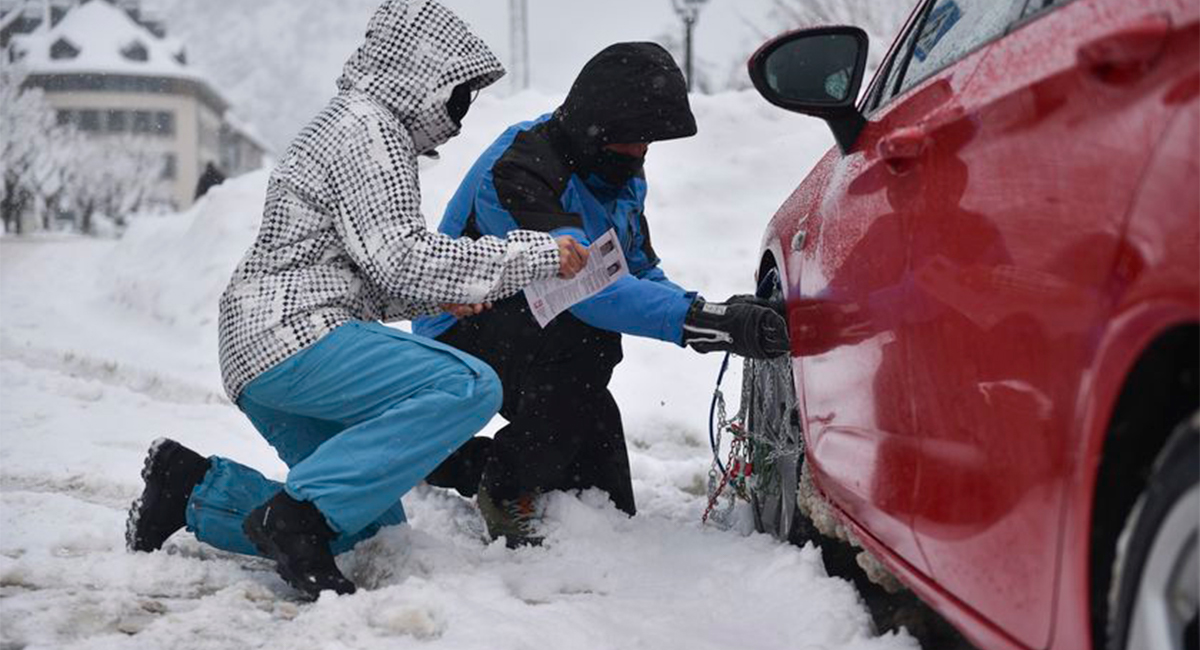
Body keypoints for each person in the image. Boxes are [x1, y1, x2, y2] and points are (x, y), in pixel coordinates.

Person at [124, 0, 589, 600]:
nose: (462, 113)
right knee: (468, 385)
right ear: (426, 73)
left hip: (260, 348)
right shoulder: (370, 130)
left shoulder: (350, 124)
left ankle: (189, 488)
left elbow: (364, 269)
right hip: (292, 333)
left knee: (363, 523)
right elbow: (403, 258)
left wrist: (444, 295)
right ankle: (293, 520)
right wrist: (538, 256)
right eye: (460, 92)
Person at [413, 42, 789, 547]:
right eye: (633, 140)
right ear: (599, 126)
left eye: (648, 143)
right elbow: (586, 288)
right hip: (461, 335)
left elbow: (637, 270)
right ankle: (503, 488)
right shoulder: (520, 169)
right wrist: (701, 321)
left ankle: (447, 462)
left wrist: (714, 311)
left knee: (603, 490)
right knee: (586, 342)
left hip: (538, 331)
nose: (642, 152)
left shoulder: (619, 170)